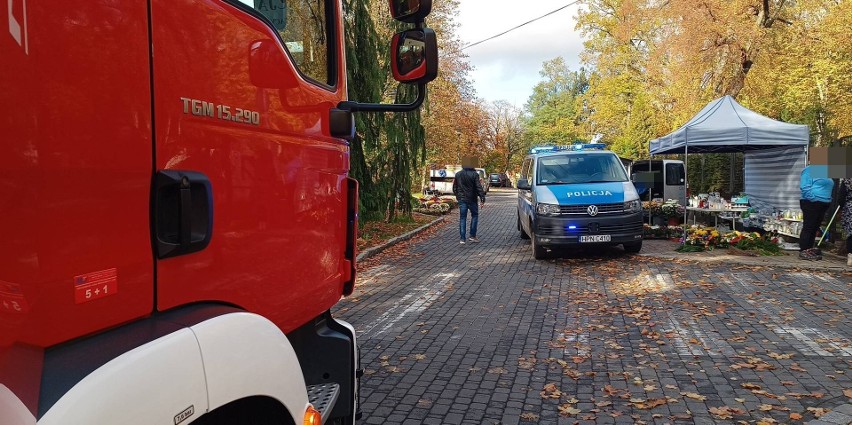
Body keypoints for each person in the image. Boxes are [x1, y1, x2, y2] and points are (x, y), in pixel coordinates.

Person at [799, 163, 834, 260]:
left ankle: (810, 249)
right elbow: (804, 186)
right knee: (809, 227)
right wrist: (813, 198)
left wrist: (828, 199)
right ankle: (804, 250)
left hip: (823, 203)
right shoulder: (809, 169)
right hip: (811, 202)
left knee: (815, 227)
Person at [453, 159, 486, 244]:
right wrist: (482, 198)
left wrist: (458, 196)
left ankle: (462, 238)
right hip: (472, 199)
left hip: (462, 199)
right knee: (474, 215)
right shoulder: (475, 174)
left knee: (462, 218)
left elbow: (455, 187)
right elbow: (478, 187)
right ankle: (472, 236)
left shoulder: (458, 174)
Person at [838, 178, 852, 266]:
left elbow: (841, 197)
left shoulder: (847, 180)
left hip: (850, 208)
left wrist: (842, 207)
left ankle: (851, 256)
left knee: (851, 233)